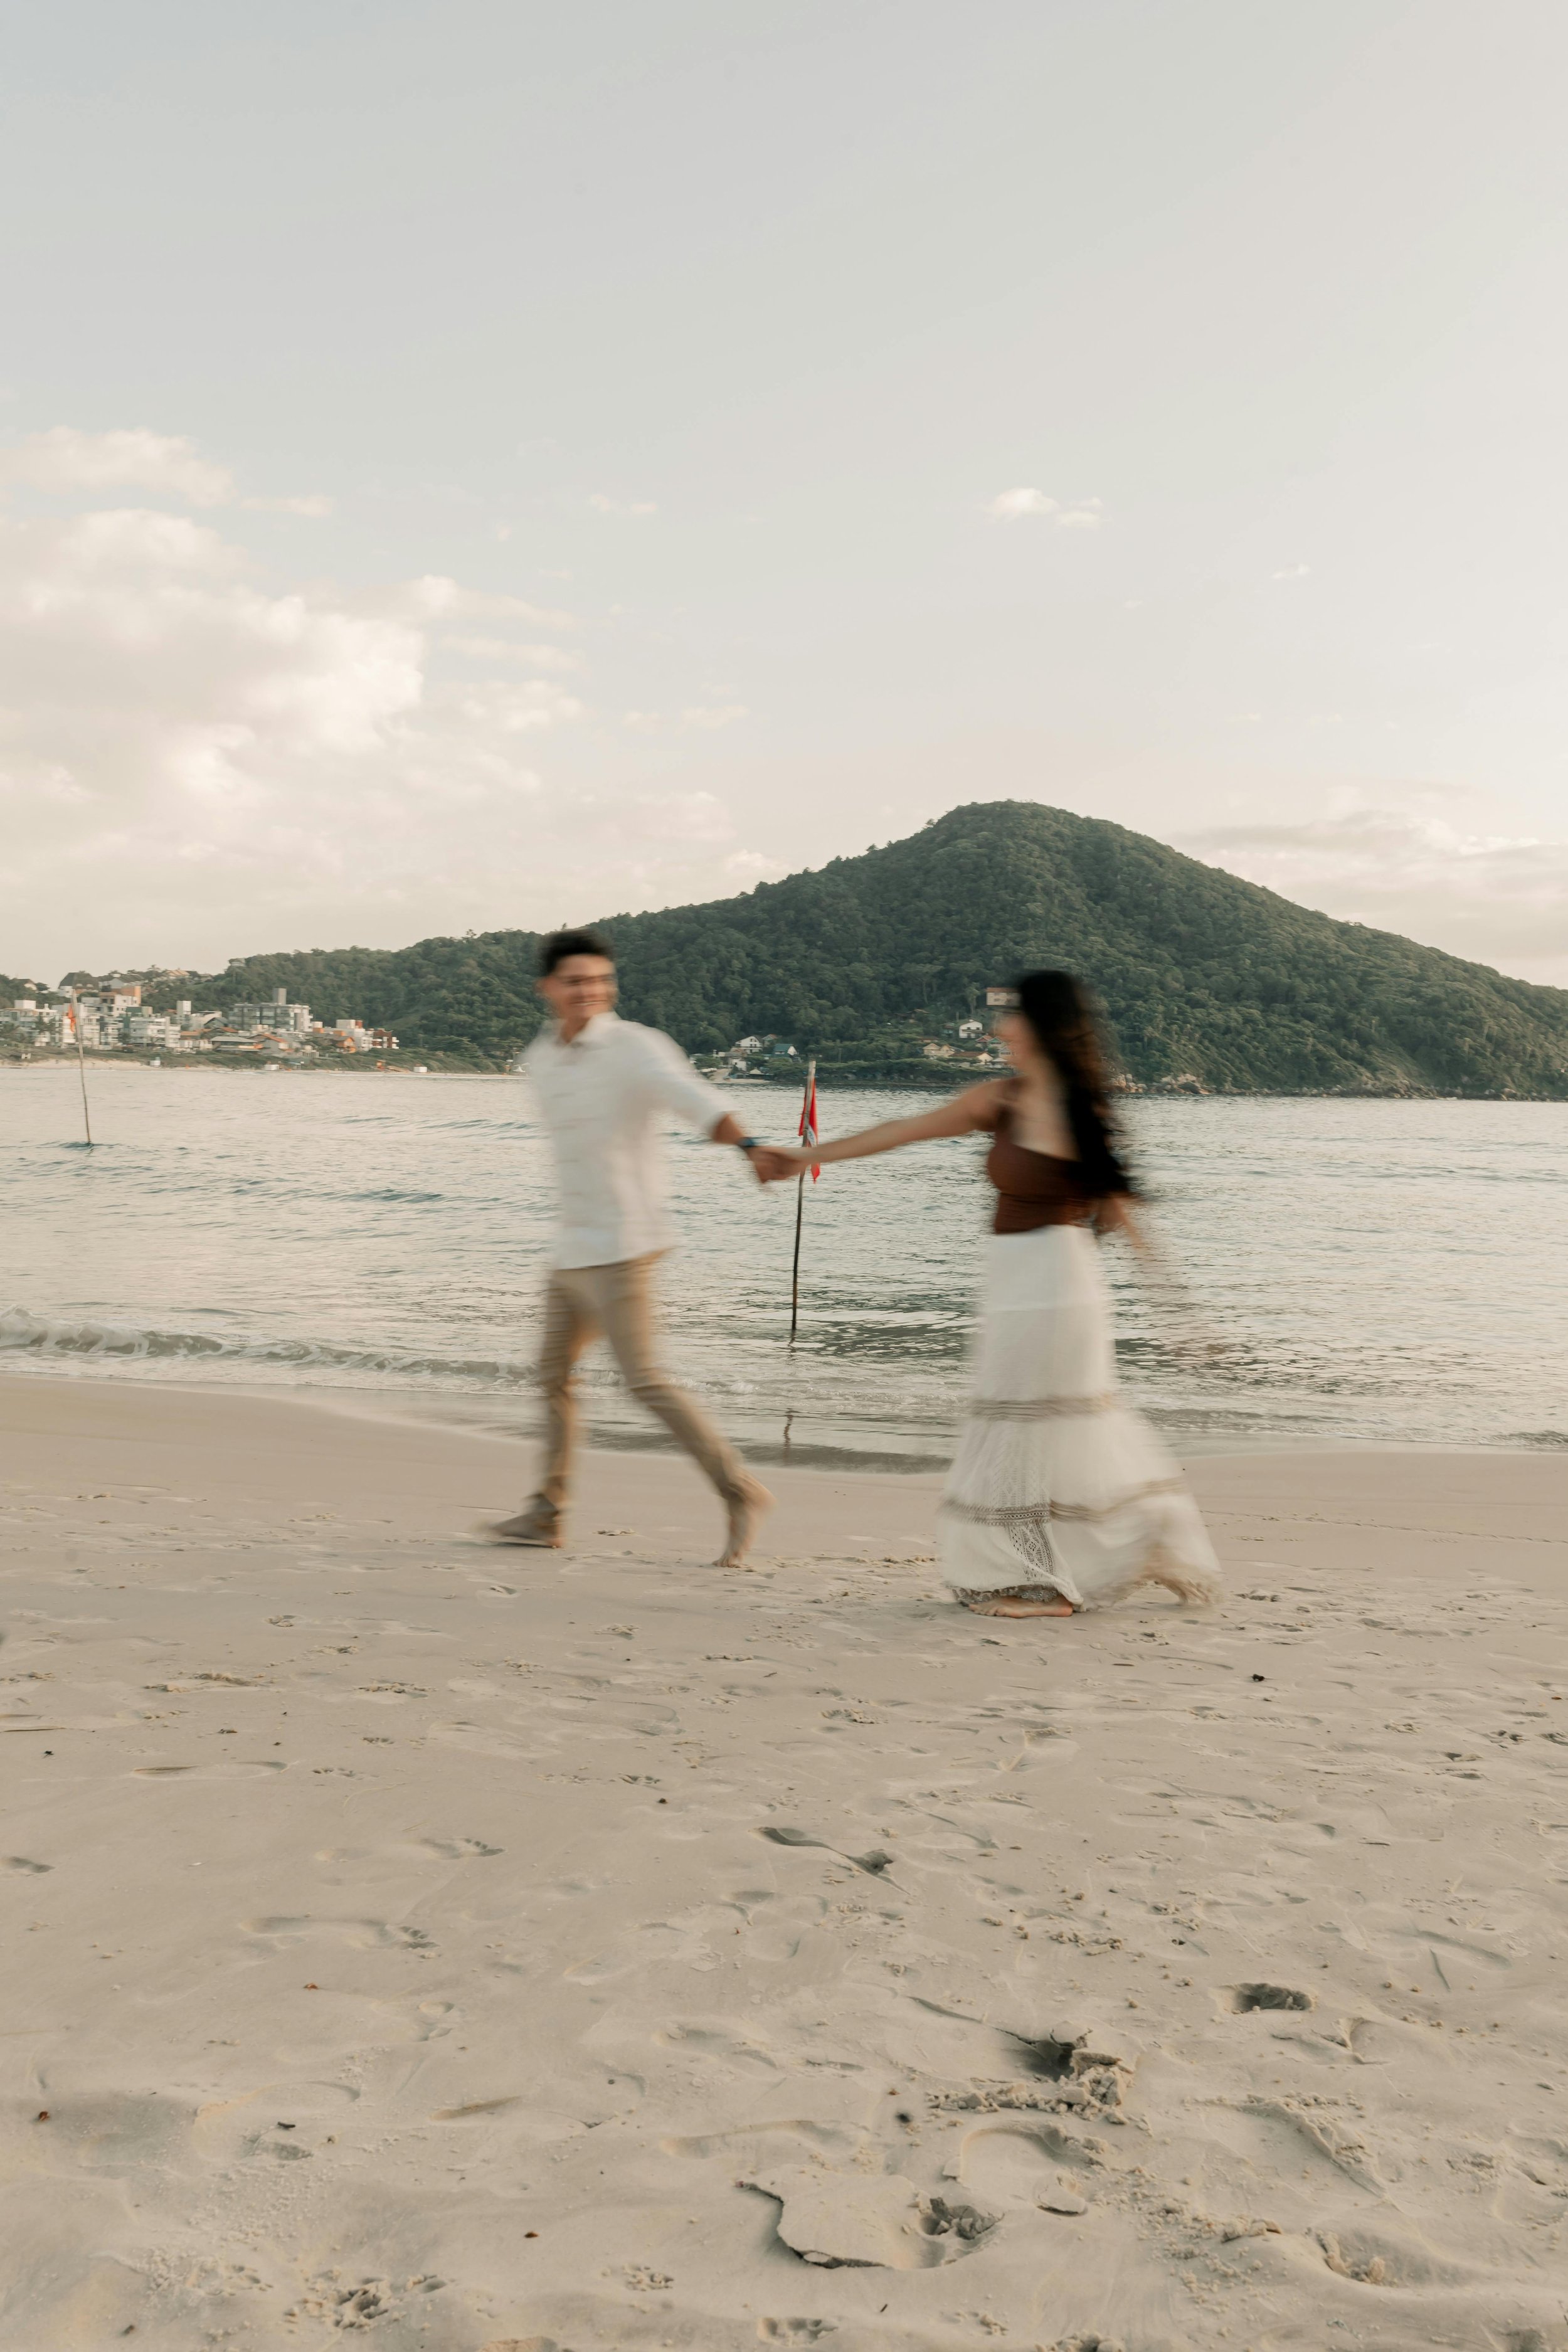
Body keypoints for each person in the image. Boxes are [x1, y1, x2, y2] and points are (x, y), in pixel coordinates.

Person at [753, 971, 1220, 1619]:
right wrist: (805, 1157)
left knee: (1037, 1434)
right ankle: (1145, 1541)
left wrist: (1176, 1310)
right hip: (1015, 1285)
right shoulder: (1001, 1099)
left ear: (1045, 1028)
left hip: (1058, 1291)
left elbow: (1127, 1216)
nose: (1002, 1029)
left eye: (1015, 1018)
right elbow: (903, 1128)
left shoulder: (1082, 1112)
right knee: (1036, 1430)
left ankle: (1053, 1587)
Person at [489, 930, 773, 1567]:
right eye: (575, 981)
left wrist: (752, 1149)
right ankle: (546, 1513)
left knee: (644, 1380)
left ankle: (739, 1490)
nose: (590, 991)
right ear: (548, 988)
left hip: (624, 1246)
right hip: (571, 1249)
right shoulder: (541, 1055)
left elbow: (698, 1102)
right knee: (553, 1378)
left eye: (600, 981)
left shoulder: (635, 1047)